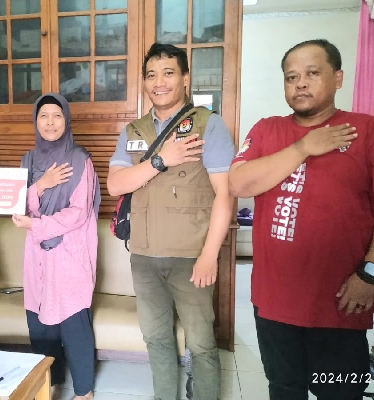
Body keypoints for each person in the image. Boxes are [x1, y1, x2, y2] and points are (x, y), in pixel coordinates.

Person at [229, 39, 374, 400]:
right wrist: (303, 147)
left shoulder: (366, 131)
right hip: (274, 303)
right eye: (291, 77)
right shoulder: (268, 130)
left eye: (312, 73)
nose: (300, 83)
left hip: (341, 302)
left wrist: (370, 275)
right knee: (285, 389)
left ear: (338, 78)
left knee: (339, 393)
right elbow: (239, 183)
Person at [107, 43, 235, 400]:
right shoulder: (133, 131)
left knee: (201, 342)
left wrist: (209, 255)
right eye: (151, 75)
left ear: (185, 78)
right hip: (144, 256)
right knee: (156, 338)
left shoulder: (208, 125)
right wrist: (160, 159)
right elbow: (116, 185)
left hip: (191, 258)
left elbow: (225, 195)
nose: (159, 82)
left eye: (168, 73)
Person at [11, 93, 101, 400]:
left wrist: (36, 225)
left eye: (57, 115)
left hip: (70, 254)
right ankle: (48, 383)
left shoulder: (79, 159)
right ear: (35, 121)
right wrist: (41, 185)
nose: (50, 122)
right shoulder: (27, 160)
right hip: (37, 254)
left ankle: (84, 391)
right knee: (40, 326)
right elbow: (18, 205)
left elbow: (78, 213)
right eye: (44, 116)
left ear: (67, 119)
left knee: (74, 323)